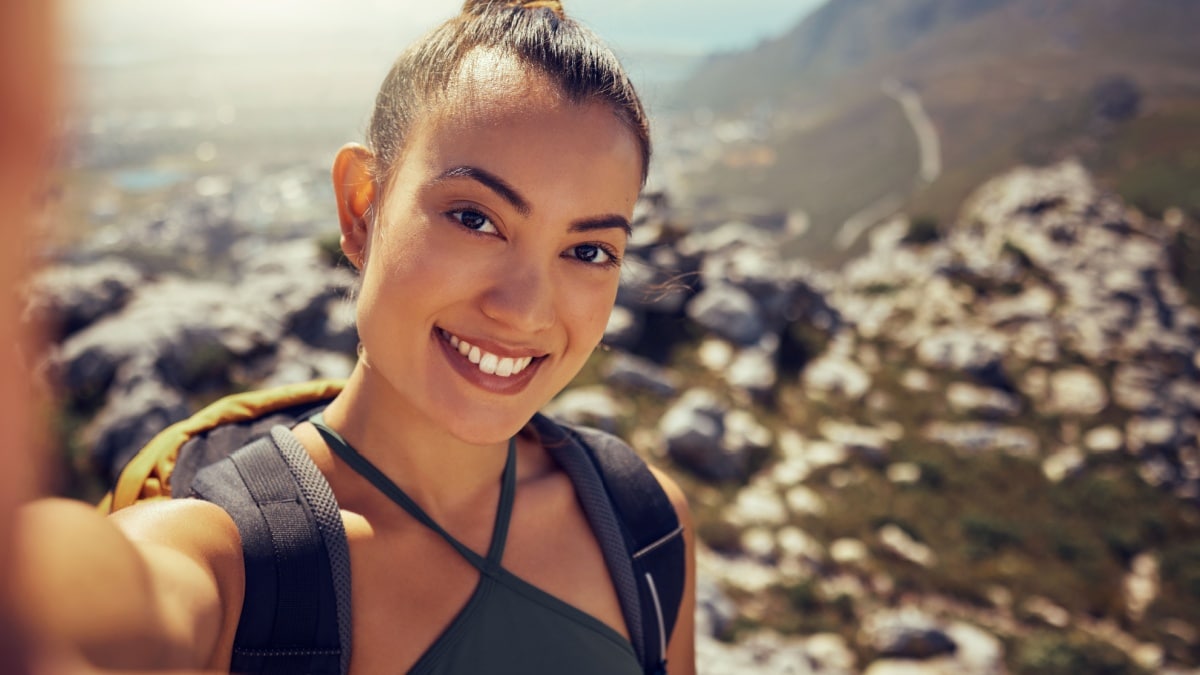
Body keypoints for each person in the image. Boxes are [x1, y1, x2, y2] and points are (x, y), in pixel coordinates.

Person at [13, 0, 697, 673]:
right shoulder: (234, 567)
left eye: (588, 252)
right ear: (362, 206)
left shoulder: (644, 525)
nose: (524, 311)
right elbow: (81, 609)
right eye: (474, 217)